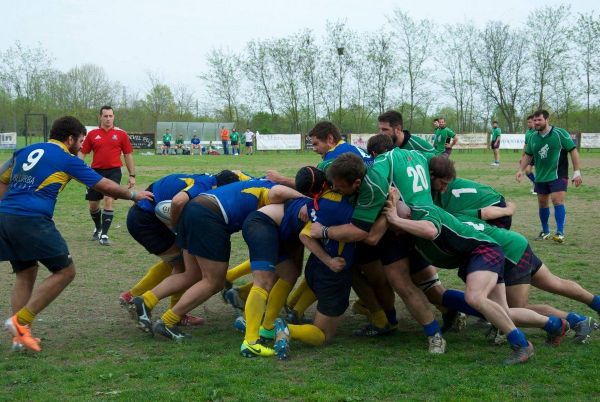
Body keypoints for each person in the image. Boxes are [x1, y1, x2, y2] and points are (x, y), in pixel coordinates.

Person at [0, 116, 153, 352]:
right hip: (31, 220)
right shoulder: (66, 159)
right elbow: (105, 186)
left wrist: (7, 208)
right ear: (70, 139)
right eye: (80, 141)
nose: (82, 146)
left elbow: (2, 180)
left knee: (26, 272)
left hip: (6, 218)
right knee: (65, 271)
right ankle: (20, 322)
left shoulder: (24, 151)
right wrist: (134, 195)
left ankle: (19, 337)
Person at [310, 151, 448, 354]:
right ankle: (387, 321)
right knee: (370, 278)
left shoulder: (372, 187)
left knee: (403, 283)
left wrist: (323, 231)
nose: (334, 189)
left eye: (339, 187)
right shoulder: (334, 168)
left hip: (392, 233)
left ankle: (435, 333)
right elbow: (310, 175)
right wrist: (304, 200)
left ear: (356, 183)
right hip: (371, 228)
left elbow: (368, 236)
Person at [131, 179, 304, 340]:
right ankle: (167, 322)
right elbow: (276, 192)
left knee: (192, 274)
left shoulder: (256, 182)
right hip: (210, 217)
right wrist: (306, 198)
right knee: (213, 282)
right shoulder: (273, 189)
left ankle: (145, 300)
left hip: (193, 210)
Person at [121, 170, 240, 328]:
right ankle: (170, 311)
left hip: (145, 215)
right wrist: (176, 227)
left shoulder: (205, 178)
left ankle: (134, 296)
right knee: (185, 267)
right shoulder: (205, 186)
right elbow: (177, 202)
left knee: (181, 264)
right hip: (147, 221)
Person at [515, 109, 582, 243]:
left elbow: (573, 151)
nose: (536, 122)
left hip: (558, 174)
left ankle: (560, 232)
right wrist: (521, 170)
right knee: (542, 203)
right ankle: (545, 231)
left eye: (539, 120)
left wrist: (577, 172)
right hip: (541, 176)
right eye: (534, 120)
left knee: (557, 200)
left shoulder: (559, 133)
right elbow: (528, 155)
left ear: (547, 120)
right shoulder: (533, 136)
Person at [78, 105, 136, 246]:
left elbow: (128, 155)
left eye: (111, 116)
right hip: (95, 173)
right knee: (93, 205)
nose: (108, 118)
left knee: (109, 199)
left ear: (114, 117)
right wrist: (77, 168)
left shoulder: (121, 134)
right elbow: (82, 152)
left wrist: (132, 175)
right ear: (101, 117)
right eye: (105, 116)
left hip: (114, 172)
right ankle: (98, 228)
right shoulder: (92, 135)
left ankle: (104, 234)